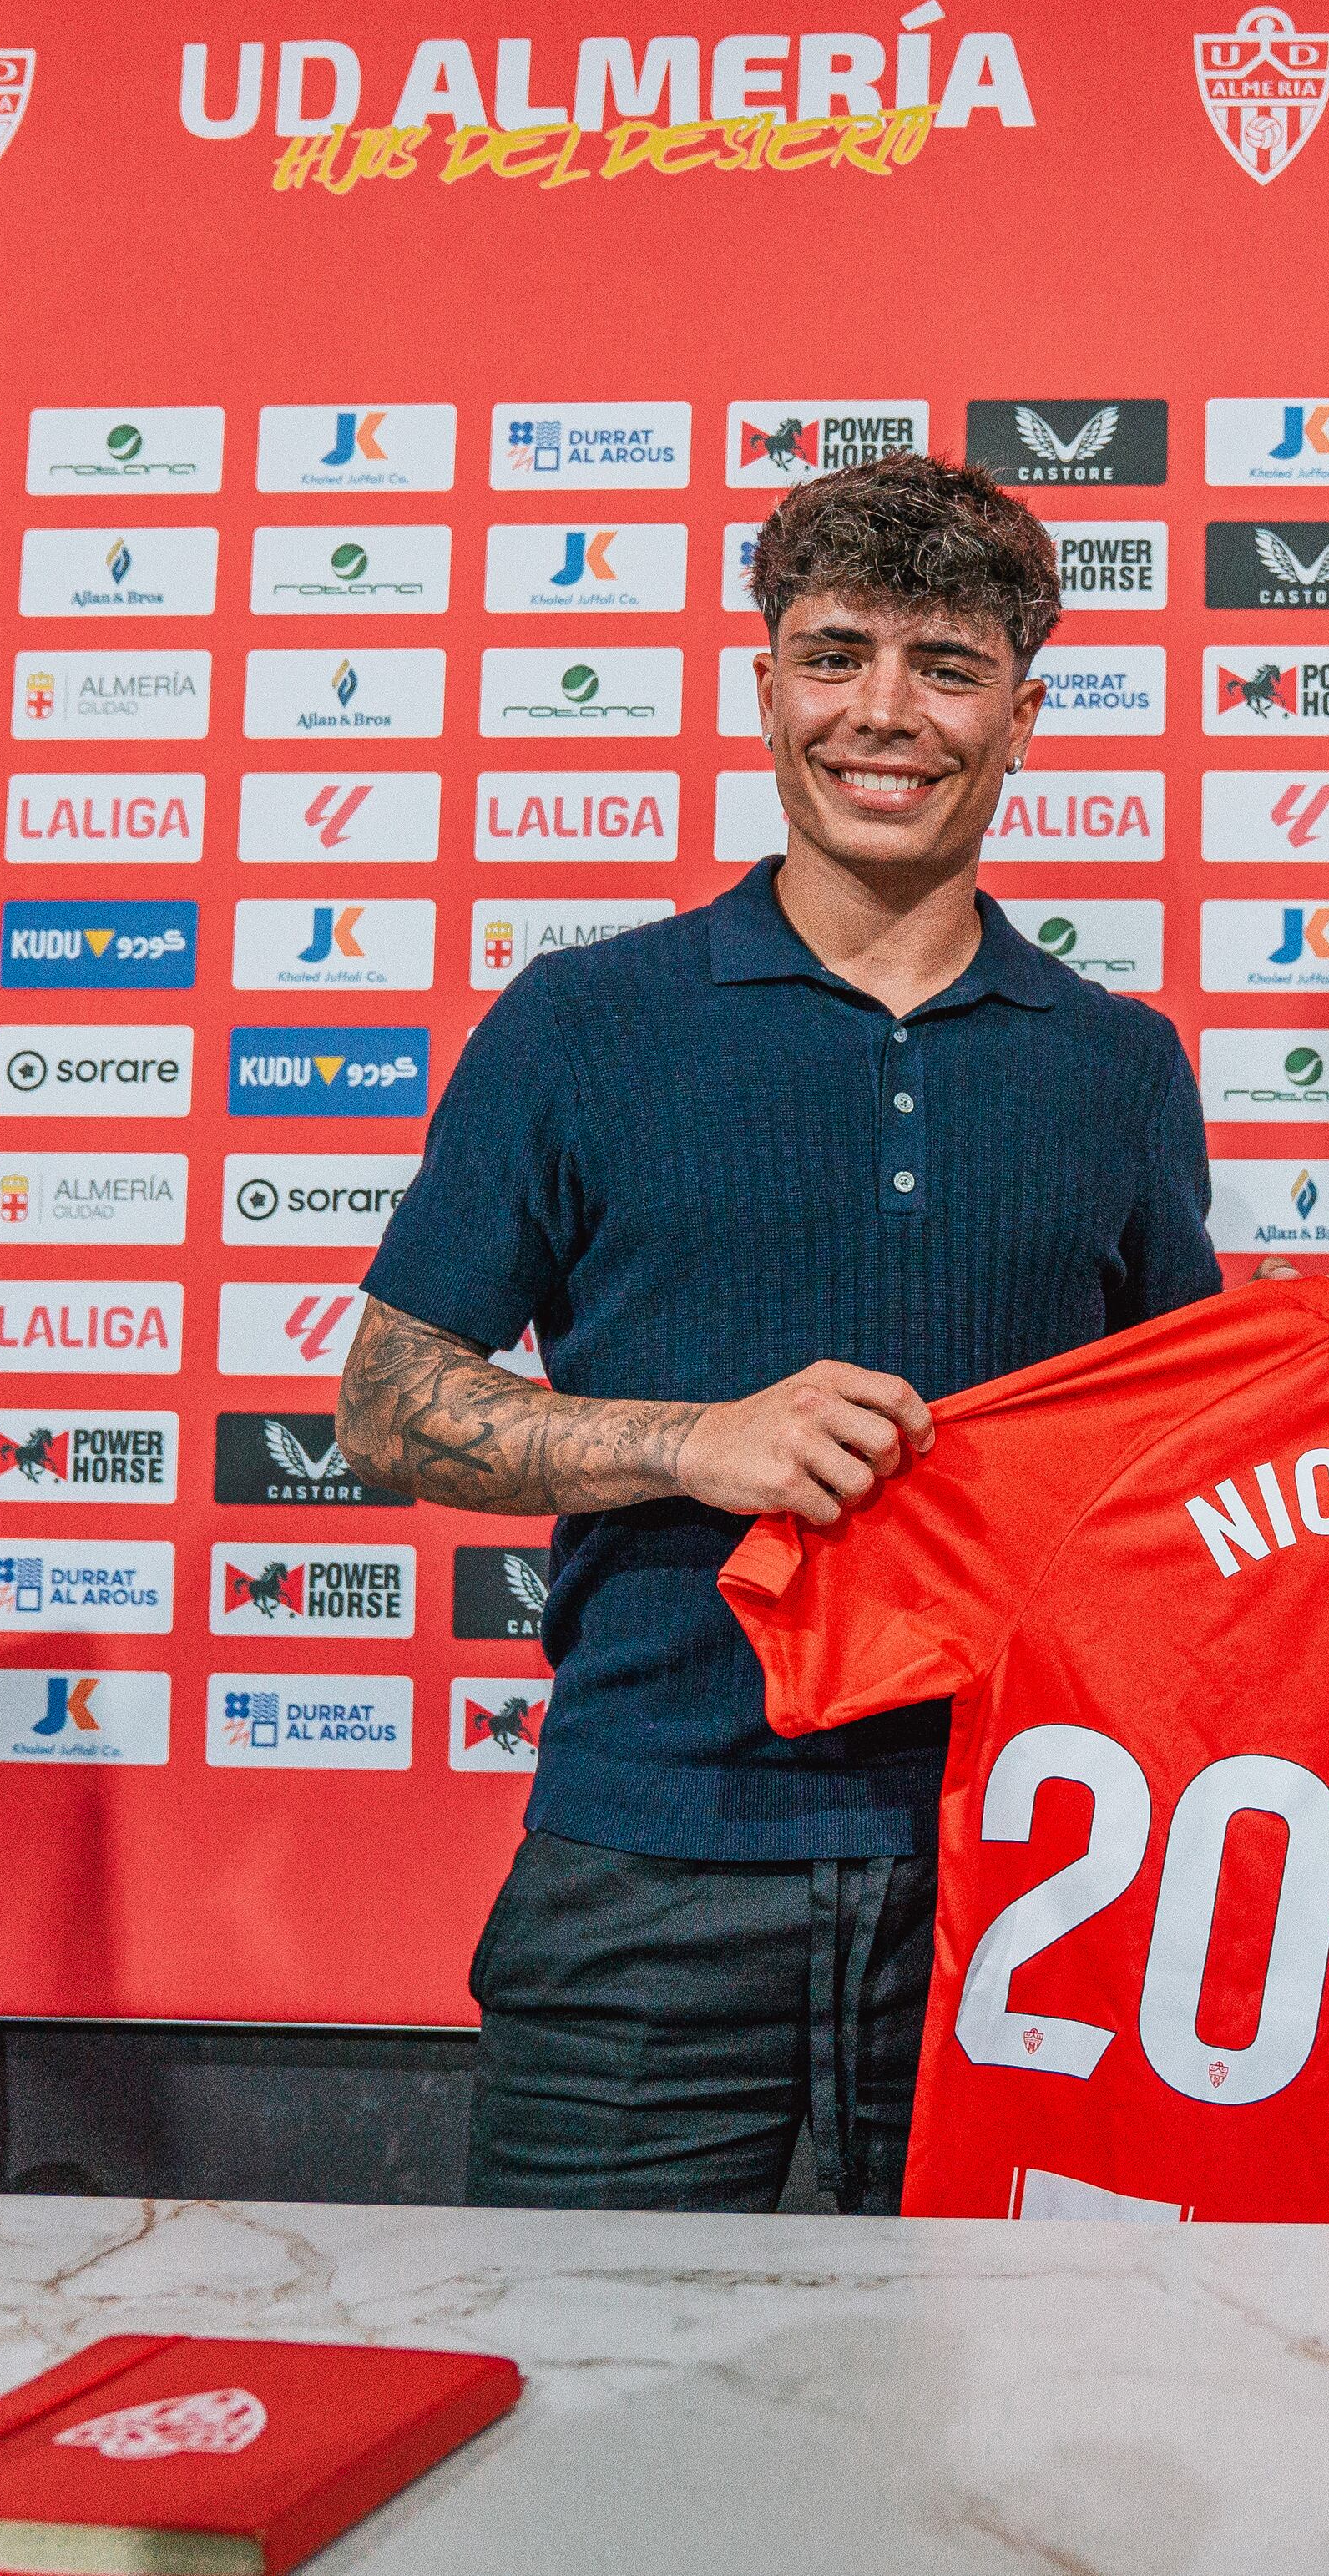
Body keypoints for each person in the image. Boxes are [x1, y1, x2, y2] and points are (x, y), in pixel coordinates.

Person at [336, 454, 1220, 2214]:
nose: (882, 713)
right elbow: (382, 1405)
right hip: (642, 1873)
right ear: (763, 685)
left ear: (1025, 711)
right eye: (836, 653)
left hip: (1022, 1881)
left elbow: (1184, 1471)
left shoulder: (1120, 1063)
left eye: (945, 665)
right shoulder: (582, 1019)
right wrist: (689, 1438)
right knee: (590, 2432)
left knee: (1006, 2450)